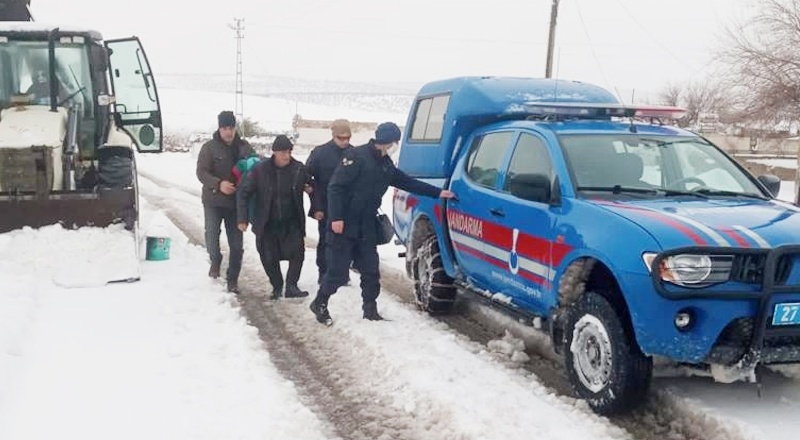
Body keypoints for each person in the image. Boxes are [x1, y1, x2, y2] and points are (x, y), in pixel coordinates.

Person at [309, 122, 456, 325]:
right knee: (337, 272)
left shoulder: (386, 163)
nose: (395, 145)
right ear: (386, 141)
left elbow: (406, 182)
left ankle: (370, 310)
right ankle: (320, 303)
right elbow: (335, 187)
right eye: (395, 141)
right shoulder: (356, 157)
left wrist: (438, 192)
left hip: (367, 224)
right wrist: (336, 218)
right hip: (345, 223)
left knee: (370, 270)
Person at [237, 135, 313, 299]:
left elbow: (312, 184)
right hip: (267, 222)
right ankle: (277, 285)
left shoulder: (298, 169)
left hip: (291, 221)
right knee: (268, 257)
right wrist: (242, 218)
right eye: (282, 152)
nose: (286, 156)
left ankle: (292, 286)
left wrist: (311, 190)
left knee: (297, 253)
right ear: (274, 152)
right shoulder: (260, 170)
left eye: (289, 152)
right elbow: (243, 193)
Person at [196, 111, 255, 293]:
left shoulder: (244, 147)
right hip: (213, 200)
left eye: (231, 128)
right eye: (224, 128)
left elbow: (255, 168)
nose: (228, 132)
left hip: (236, 204)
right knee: (211, 235)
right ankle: (215, 260)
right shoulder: (209, 148)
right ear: (219, 128)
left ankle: (233, 279)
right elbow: (202, 172)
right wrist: (218, 184)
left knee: (236, 245)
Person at [305, 118, 354, 284]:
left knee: (346, 242)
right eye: (341, 138)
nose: (345, 141)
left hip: (348, 206)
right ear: (333, 135)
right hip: (325, 205)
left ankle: (343, 273)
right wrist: (316, 205)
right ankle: (324, 273)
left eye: (348, 138)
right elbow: (308, 178)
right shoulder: (320, 153)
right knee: (326, 241)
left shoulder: (354, 153)